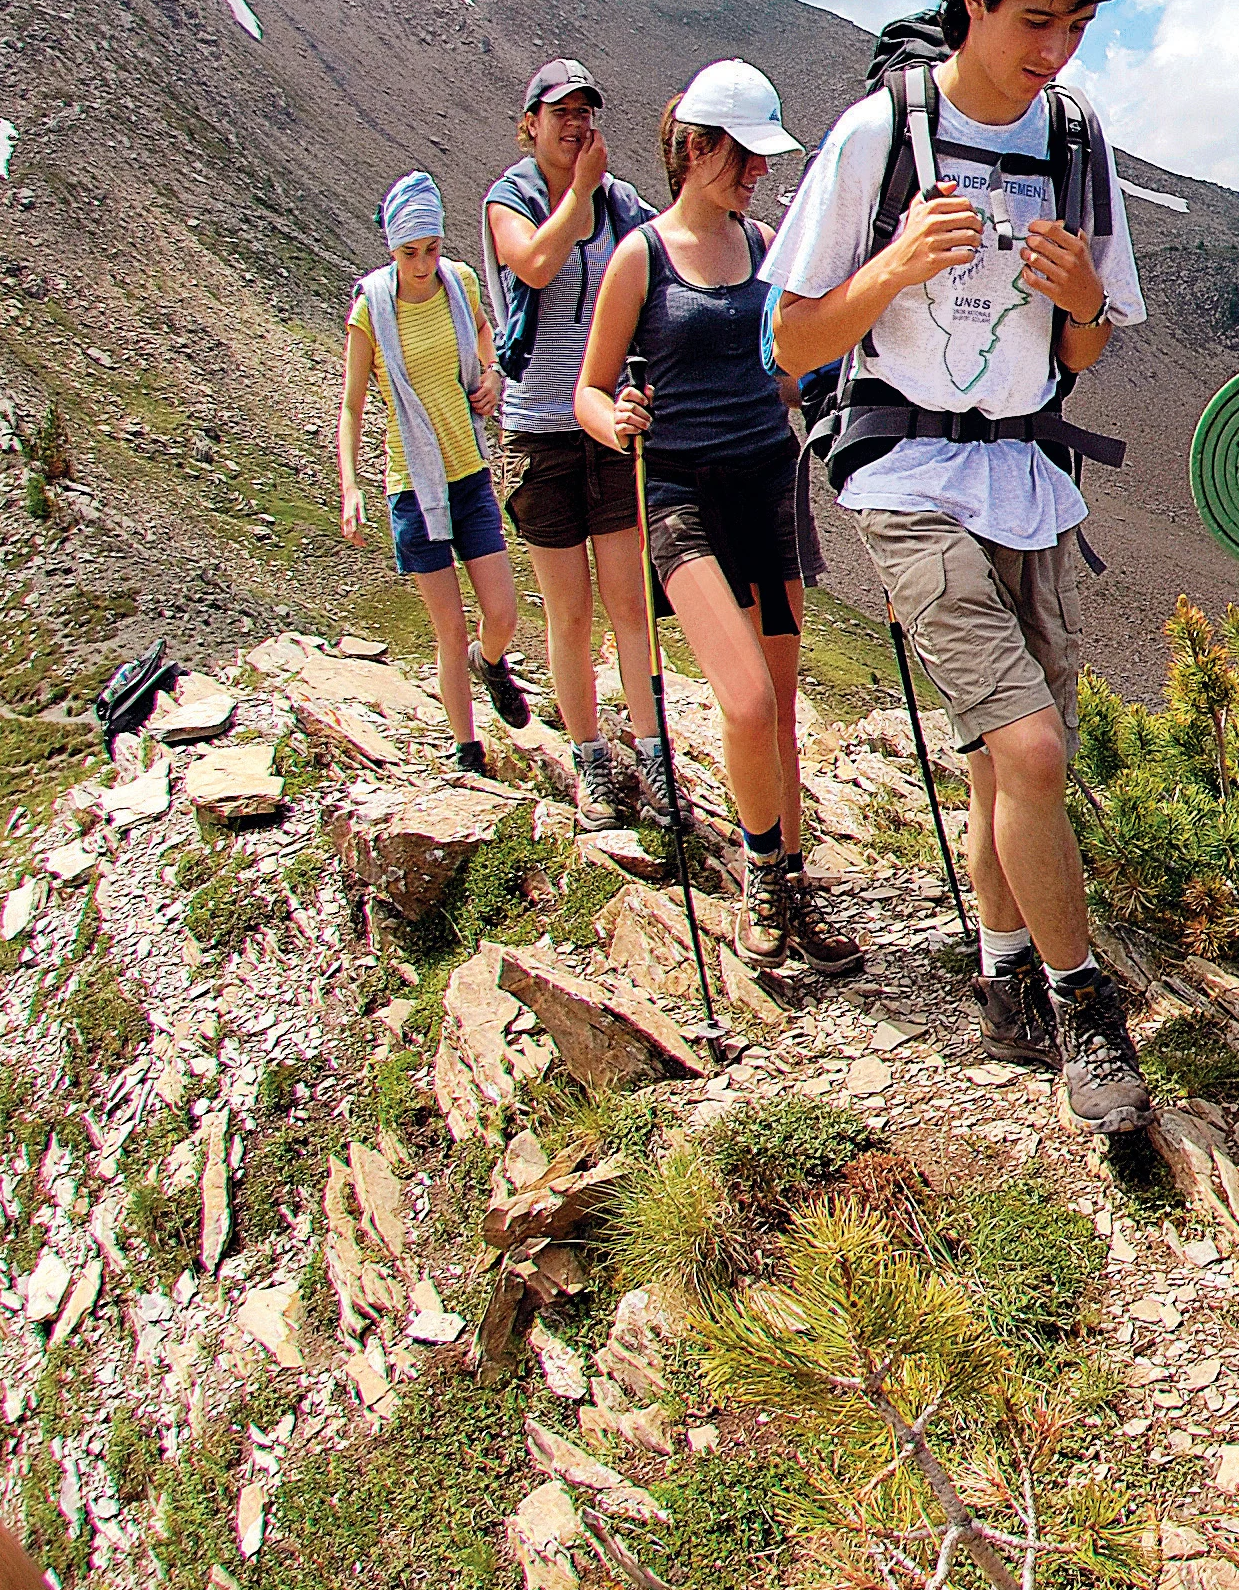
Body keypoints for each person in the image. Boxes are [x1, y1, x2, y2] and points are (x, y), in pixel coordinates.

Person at [767, 0, 1146, 1129]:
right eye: (1035, 20)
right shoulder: (878, 136)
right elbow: (790, 339)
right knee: (1031, 748)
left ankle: (997, 968)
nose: (1055, 52)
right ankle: (1085, 1010)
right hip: (904, 473)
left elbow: (1084, 351)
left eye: (1077, 27)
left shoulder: (1077, 142)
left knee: (1006, 761)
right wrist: (892, 266)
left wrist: (1082, 295)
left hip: (1028, 476)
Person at [577, 63, 861, 981]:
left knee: (776, 708)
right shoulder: (641, 257)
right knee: (740, 698)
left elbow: (790, 364)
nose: (758, 174)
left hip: (767, 490)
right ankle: (760, 874)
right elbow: (588, 387)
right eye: (745, 157)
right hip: (679, 501)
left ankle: (789, 885)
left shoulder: (768, 244)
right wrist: (613, 418)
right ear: (697, 149)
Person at [486, 58, 669, 823]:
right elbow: (531, 261)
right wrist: (581, 195)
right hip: (537, 429)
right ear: (531, 122)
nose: (575, 123)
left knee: (630, 602)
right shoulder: (512, 197)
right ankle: (591, 758)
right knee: (570, 611)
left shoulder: (621, 204)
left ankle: (656, 757)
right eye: (559, 111)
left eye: (586, 109)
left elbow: (658, 268)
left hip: (606, 427)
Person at [338, 171, 531, 775]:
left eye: (431, 249)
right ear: (391, 249)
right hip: (411, 484)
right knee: (447, 625)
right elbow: (351, 402)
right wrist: (350, 487)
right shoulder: (372, 308)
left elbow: (482, 330)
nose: (422, 265)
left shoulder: (458, 283)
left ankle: (490, 660)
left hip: (468, 469)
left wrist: (491, 373)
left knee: (501, 611)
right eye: (409, 253)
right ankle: (465, 748)